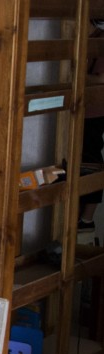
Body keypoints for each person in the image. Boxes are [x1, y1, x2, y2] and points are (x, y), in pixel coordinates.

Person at [79, 20, 104, 241]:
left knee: (91, 161)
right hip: (80, 109)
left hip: (95, 111)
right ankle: (82, 219)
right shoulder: (85, 40)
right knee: (78, 162)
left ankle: (87, 220)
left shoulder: (100, 41)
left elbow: (101, 79)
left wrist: (76, 75)